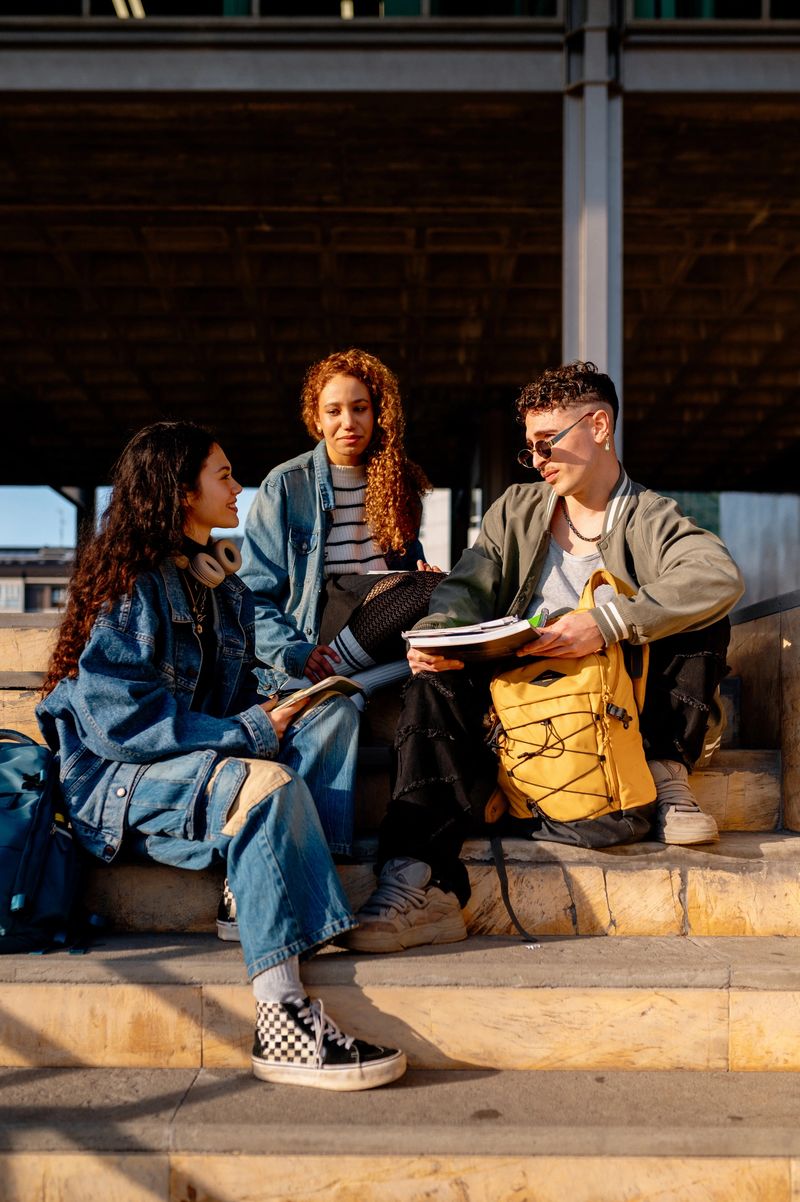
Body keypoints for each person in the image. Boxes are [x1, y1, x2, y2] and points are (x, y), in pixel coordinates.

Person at [36, 420, 406, 1091]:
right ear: (183, 493)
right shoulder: (134, 586)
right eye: (225, 475)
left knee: (326, 715)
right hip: (117, 782)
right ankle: (283, 1019)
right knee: (262, 785)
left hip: (185, 762)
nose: (240, 488)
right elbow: (123, 723)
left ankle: (255, 889)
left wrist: (293, 690)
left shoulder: (218, 585)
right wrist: (249, 731)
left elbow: (250, 665)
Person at [341, 361, 744, 954]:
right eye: (528, 447)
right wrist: (436, 636)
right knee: (433, 683)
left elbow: (718, 575)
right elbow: (465, 589)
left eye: (546, 442)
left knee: (703, 614)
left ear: (599, 426)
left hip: (616, 702)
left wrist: (606, 624)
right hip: (521, 698)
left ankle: (667, 776)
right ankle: (420, 885)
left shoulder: (649, 515)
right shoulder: (518, 508)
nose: (536, 459)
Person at [239, 347, 442, 698]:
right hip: (320, 634)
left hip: (383, 625)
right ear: (316, 419)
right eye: (334, 411)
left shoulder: (397, 481)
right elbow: (250, 597)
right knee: (429, 589)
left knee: (448, 593)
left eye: (360, 408)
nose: (348, 422)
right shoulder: (287, 484)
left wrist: (424, 576)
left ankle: (350, 685)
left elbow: (407, 570)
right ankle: (319, 677)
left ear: (378, 413)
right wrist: (293, 653)